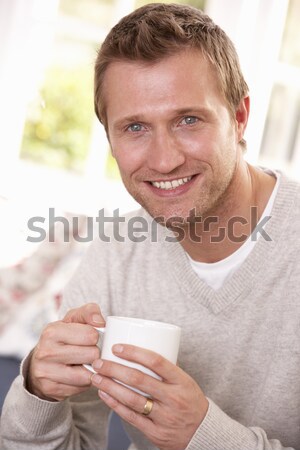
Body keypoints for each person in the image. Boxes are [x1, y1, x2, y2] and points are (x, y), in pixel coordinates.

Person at [1, 2, 300, 449]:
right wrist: (39, 394)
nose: (164, 160)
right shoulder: (115, 252)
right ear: (110, 141)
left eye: (188, 119)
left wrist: (203, 435)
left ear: (239, 117)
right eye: (136, 127)